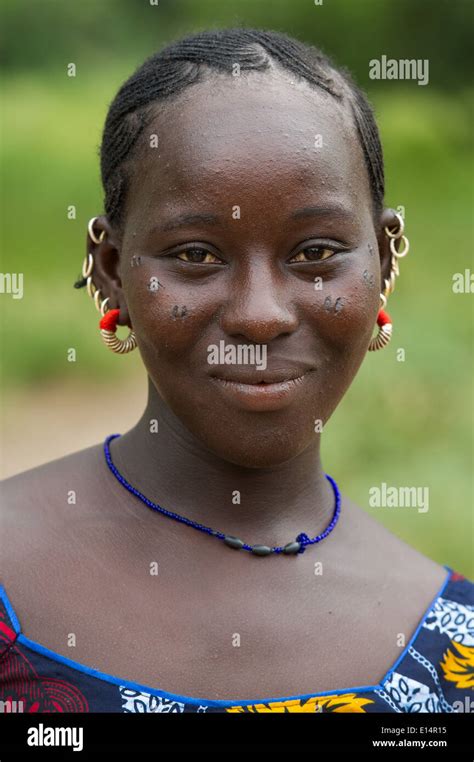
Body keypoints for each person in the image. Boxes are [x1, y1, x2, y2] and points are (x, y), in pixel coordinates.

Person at [1, 28, 472, 714]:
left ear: (384, 261)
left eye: (315, 252)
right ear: (110, 273)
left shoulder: (453, 649)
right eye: (195, 255)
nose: (260, 316)